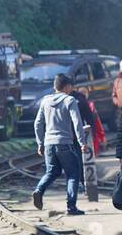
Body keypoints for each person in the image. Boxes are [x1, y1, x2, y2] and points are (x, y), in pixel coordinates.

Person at [31, 73, 90, 216]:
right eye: (71, 86)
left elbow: (38, 123)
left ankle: (39, 190)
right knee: (73, 174)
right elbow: (77, 123)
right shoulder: (70, 100)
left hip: (49, 144)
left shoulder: (45, 101)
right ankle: (71, 207)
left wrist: (40, 143)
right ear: (67, 86)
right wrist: (82, 142)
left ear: (54, 86)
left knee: (52, 172)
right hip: (65, 144)